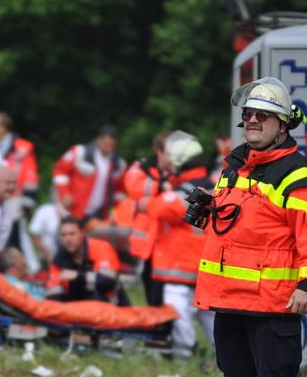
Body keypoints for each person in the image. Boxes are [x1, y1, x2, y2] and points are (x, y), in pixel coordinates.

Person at [194, 77, 307, 377]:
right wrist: (208, 211)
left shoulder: (297, 174)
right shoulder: (234, 165)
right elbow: (233, 228)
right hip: (228, 299)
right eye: (248, 115)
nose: (252, 121)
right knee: (236, 374)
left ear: (282, 125)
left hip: (272, 303)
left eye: (263, 116)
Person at [146, 131, 214, 358]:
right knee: (212, 320)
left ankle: (186, 357)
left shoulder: (185, 191)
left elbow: (159, 208)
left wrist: (162, 190)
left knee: (179, 316)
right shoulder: (213, 185)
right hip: (206, 269)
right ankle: (224, 361)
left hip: (181, 271)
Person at [124, 131, 170, 306]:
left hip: (168, 238)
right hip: (147, 239)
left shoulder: (177, 170)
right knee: (149, 280)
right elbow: (133, 186)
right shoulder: (142, 167)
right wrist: (161, 187)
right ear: (159, 151)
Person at [52, 125, 126, 221]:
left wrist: (114, 212)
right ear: (98, 140)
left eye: (112, 146)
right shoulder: (80, 152)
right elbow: (60, 170)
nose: (109, 148)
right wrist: (64, 193)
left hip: (99, 215)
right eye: (107, 144)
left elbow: (118, 192)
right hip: (73, 210)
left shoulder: (119, 164)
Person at [46, 216, 122, 303]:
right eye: (64, 235)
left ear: (82, 233)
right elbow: (53, 292)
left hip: (109, 307)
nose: (68, 239)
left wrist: (78, 276)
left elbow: (108, 282)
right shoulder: (59, 260)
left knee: (97, 296)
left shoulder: (101, 248)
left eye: (72, 234)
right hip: (77, 307)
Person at [0, 111, 39, 212]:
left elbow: (30, 175)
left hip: (16, 200)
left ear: (3, 128)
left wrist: (28, 201)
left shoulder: (23, 148)